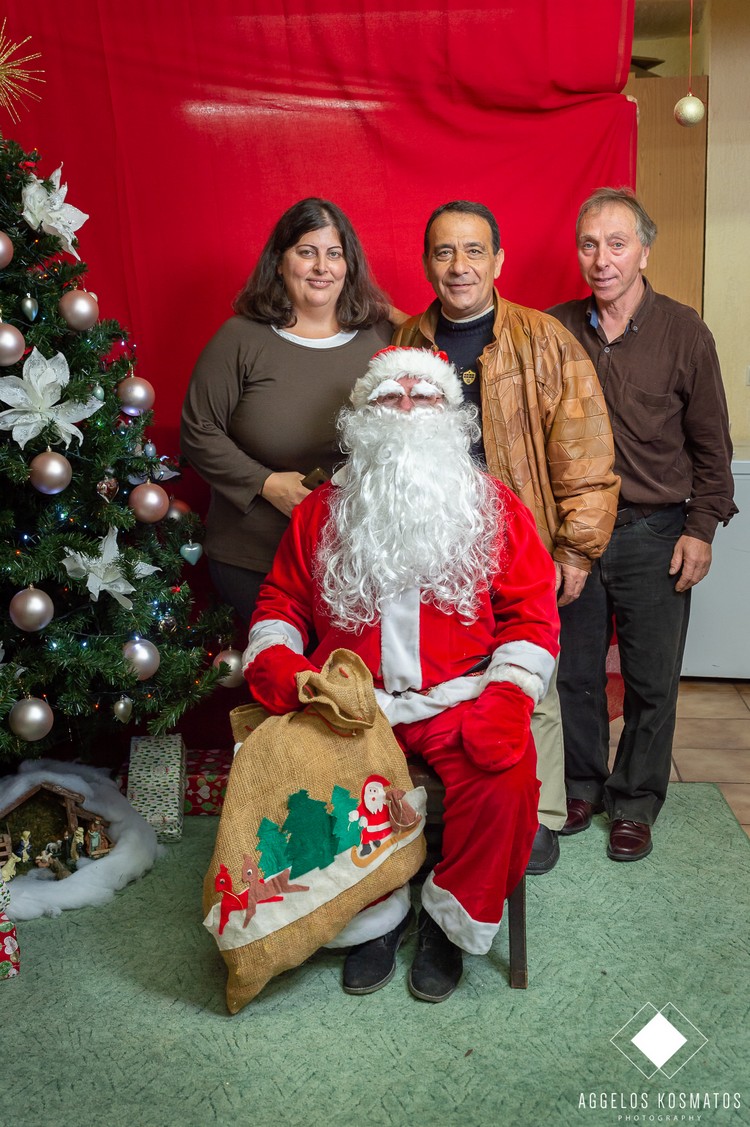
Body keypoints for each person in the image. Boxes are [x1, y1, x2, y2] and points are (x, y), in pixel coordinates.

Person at [243, 346, 560, 1002]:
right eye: (392, 397)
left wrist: (507, 693)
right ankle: (370, 916)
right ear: (364, 414)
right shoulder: (321, 510)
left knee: (503, 777)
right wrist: (279, 659)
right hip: (352, 700)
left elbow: (532, 613)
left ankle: (448, 919)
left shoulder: (493, 505)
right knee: (311, 775)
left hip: (459, 696)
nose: (409, 409)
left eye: (425, 396)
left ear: (450, 413)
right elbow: (281, 602)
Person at [393, 201, 619, 875]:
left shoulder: (544, 339)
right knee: (446, 682)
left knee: (532, 681)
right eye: (444, 252)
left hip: (521, 546)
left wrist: (576, 548)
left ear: (497, 260)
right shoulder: (407, 342)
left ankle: (540, 818)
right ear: (427, 263)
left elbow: (584, 451)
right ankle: (449, 811)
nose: (458, 266)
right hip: (433, 551)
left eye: (473, 251)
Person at [549, 187, 737, 862]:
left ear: (644, 252)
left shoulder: (685, 332)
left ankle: (634, 801)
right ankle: (580, 786)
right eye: (590, 244)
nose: (602, 259)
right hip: (574, 537)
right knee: (573, 674)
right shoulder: (555, 329)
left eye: (617, 244)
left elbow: (712, 446)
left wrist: (701, 529)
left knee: (652, 681)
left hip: (656, 532)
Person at [181, 198, 393, 622]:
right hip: (256, 556)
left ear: (348, 265)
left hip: (357, 559)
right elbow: (198, 430)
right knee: (279, 661)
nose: (322, 267)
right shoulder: (241, 338)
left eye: (334, 254)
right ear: (279, 262)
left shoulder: (380, 336)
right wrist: (265, 483)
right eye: (306, 252)